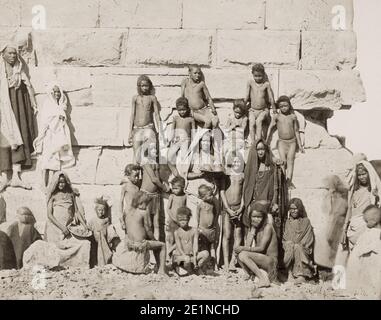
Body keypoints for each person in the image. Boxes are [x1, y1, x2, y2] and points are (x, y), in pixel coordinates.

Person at [0, 43, 38, 191]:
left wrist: (34, 104)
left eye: (14, 54)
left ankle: (16, 175)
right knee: (4, 138)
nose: (12, 56)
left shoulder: (19, 70)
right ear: (3, 55)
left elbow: (28, 86)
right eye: (9, 53)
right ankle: (4, 176)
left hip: (17, 106)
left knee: (19, 134)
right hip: (3, 107)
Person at [113, 191, 167, 275]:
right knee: (162, 245)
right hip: (140, 244)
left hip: (130, 243)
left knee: (153, 243)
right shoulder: (143, 213)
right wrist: (153, 238)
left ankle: (157, 266)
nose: (147, 206)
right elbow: (148, 229)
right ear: (142, 203)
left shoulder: (127, 211)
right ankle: (162, 270)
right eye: (147, 204)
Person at [32, 82, 75, 189]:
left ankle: (52, 183)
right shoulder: (48, 104)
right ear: (51, 92)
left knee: (55, 160)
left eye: (58, 92)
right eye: (55, 92)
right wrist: (56, 118)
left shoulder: (61, 105)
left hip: (58, 135)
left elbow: (63, 117)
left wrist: (61, 117)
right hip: (50, 134)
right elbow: (46, 119)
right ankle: (43, 183)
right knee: (47, 158)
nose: (57, 94)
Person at [45, 171, 91, 268]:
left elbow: (76, 212)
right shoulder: (53, 196)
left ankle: (75, 264)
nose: (61, 184)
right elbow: (49, 215)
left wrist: (84, 225)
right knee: (54, 247)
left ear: (66, 182)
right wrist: (62, 228)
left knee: (84, 244)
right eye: (59, 182)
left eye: (63, 182)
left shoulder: (70, 194)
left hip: (69, 229)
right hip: (55, 229)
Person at [243, 139, 287, 236]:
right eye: (258, 149)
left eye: (262, 149)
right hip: (255, 205)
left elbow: (276, 186)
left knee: (269, 228)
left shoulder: (271, 166)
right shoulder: (252, 167)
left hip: (268, 205)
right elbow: (248, 187)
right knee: (252, 232)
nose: (261, 152)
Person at [235, 202, 278, 288]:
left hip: (271, 261)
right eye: (254, 217)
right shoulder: (256, 228)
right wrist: (253, 231)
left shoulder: (268, 227)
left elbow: (261, 248)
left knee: (243, 253)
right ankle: (249, 274)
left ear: (264, 217)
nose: (256, 219)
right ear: (250, 217)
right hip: (262, 259)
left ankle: (263, 279)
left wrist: (243, 248)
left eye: (259, 217)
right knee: (238, 253)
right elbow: (248, 245)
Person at [342, 160, 381, 251]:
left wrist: (377, 197)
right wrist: (344, 230)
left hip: (366, 227)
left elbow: (376, 210)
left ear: (369, 173)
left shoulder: (373, 191)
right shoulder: (354, 191)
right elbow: (350, 209)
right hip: (353, 228)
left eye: (364, 174)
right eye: (359, 175)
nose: (362, 177)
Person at [267, 96, 304, 188]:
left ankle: (289, 181)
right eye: (281, 106)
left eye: (286, 105)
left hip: (292, 142)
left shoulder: (293, 117)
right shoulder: (277, 117)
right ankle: (283, 180)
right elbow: (270, 127)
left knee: (290, 161)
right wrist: (267, 139)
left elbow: (296, 131)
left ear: (289, 105)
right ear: (279, 107)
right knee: (283, 162)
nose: (284, 108)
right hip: (281, 142)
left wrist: (300, 145)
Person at [346, 205, 381, 298]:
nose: (365, 224)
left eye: (366, 221)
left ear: (373, 221)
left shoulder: (367, 235)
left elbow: (355, 256)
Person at [128, 75, 162, 164]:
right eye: (142, 86)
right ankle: (137, 175)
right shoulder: (135, 98)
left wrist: (160, 131)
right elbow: (132, 115)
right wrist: (130, 132)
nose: (145, 88)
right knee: (136, 155)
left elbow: (157, 115)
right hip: (137, 128)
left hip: (148, 127)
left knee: (151, 154)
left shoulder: (152, 98)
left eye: (146, 86)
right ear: (139, 86)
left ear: (149, 86)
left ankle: (150, 176)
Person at [141, 142, 170, 241]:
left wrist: (165, 184)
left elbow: (159, 178)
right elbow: (154, 179)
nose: (155, 150)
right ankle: (148, 244)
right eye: (152, 149)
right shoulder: (145, 162)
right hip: (146, 195)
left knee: (156, 222)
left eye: (155, 149)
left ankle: (157, 244)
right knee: (147, 222)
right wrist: (163, 187)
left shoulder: (156, 163)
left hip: (155, 195)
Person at [220, 154, 244, 272]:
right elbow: (222, 192)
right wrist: (227, 208)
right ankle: (225, 261)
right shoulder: (227, 175)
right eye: (234, 162)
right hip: (227, 209)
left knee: (238, 235)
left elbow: (244, 193)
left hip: (238, 208)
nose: (237, 164)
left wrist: (241, 208)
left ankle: (232, 262)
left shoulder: (242, 176)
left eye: (239, 162)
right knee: (227, 235)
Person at [318, 175, 348, 269]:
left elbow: (341, 210)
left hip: (340, 223)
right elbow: (326, 209)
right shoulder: (330, 197)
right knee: (330, 245)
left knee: (337, 247)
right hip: (333, 222)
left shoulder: (343, 198)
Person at [283, 198, 315, 284]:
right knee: (290, 245)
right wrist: (290, 243)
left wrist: (299, 244)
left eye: (295, 208)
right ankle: (289, 273)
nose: (293, 211)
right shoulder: (287, 222)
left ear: (300, 209)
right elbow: (286, 237)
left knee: (298, 247)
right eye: (291, 208)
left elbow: (308, 238)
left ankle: (301, 275)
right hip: (290, 247)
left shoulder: (306, 221)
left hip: (302, 248)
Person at [172, 207, 209, 275]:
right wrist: (184, 256)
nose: (182, 222)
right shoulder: (176, 232)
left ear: (188, 219)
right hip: (181, 257)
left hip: (191, 256)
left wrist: (195, 259)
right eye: (180, 220)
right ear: (177, 220)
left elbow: (195, 245)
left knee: (205, 253)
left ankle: (196, 268)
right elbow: (179, 247)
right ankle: (189, 272)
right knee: (187, 260)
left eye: (185, 220)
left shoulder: (194, 230)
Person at [244, 63, 276, 142]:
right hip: (252, 110)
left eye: (260, 76)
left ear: (263, 74)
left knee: (259, 122)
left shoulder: (266, 84)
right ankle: (253, 142)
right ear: (252, 74)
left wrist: (274, 109)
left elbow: (271, 97)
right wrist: (243, 107)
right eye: (256, 76)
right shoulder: (250, 83)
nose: (258, 78)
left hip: (262, 110)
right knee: (251, 123)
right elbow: (247, 96)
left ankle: (259, 141)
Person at [181, 65, 218, 129]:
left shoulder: (201, 84)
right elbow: (182, 97)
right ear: (189, 73)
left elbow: (208, 98)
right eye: (195, 73)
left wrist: (213, 109)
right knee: (208, 122)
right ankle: (201, 138)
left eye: (199, 73)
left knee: (215, 121)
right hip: (193, 111)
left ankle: (217, 138)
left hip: (204, 109)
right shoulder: (185, 82)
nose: (197, 75)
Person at [167, 97, 196, 178]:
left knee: (184, 157)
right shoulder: (176, 118)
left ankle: (184, 172)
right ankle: (174, 171)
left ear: (187, 108)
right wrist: (171, 139)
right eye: (179, 110)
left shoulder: (190, 119)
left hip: (186, 140)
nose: (182, 112)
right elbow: (172, 129)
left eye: (184, 110)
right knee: (169, 156)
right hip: (177, 140)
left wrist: (192, 143)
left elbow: (193, 132)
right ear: (177, 109)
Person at [88, 197, 120, 267]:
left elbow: (108, 228)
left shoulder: (106, 220)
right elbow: (89, 229)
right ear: (96, 210)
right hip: (95, 239)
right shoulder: (93, 220)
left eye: (103, 210)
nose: (101, 212)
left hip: (104, 240)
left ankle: (104, 261)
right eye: (99, 210)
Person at [197, 184, 219, 264]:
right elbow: (198, 217)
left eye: (212, 195)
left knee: (212, 247)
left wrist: (214, 225)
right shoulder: (200, 205)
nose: (212, 197)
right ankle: (205, 264)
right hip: (203, 230)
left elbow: (216, 214)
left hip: (211, 230)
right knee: (204, 247)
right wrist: (198, 228)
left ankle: (214, 263)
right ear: (203, 197)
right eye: (210, 195)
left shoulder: (213, 204)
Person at [166, 176, 187, 258]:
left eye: (176, 188)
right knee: (171, 239)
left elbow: (185, 208)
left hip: (180, 221)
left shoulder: (184, 196)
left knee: (179, 239)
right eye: (173, 188)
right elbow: (168, 209)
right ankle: (168, 257)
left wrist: (184, 219)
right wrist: (173, 218)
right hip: (172, 221)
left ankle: (170, 252)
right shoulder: (172, 196)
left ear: (182, 187)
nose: (174, 190)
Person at [119, 164, 141, 233]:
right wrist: (121, 217)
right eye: (135, 176)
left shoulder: (138, 185)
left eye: (138, 176)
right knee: (129, 233)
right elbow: (121, 202)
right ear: (128, 176)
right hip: (128, 213)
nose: (137, 178)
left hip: (137, 213)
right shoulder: (126, 186)